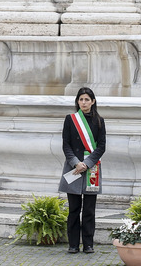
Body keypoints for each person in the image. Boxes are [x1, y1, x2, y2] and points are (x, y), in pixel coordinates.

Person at [58, 87, 106, 254]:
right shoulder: (70, 119)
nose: (84, 102)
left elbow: (101, 147)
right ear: (77, 102)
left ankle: (88, 244)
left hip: (92, 169)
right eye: (81, 99)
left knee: (89, 210)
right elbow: (66, 144)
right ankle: (73, 244)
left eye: (87, 99)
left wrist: (86, 163)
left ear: (93, 101)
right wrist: (75, 163)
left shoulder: (100, 120)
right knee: (73, 209)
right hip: (74, 168)